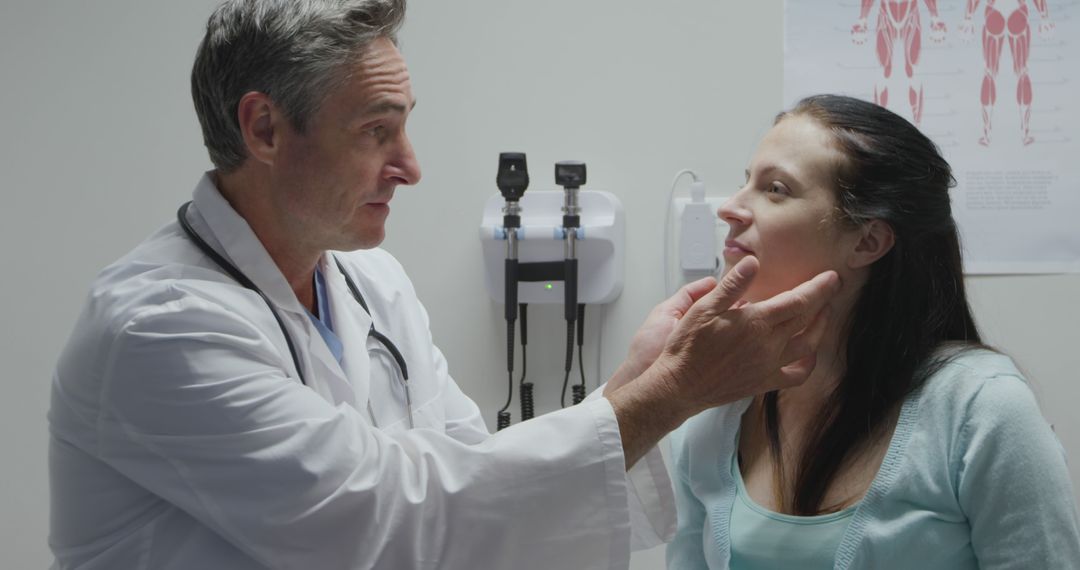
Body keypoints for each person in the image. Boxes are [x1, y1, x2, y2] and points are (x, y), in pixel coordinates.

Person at [47, 2, 841, 569]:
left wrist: (638, 382)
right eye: (376, 130)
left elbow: (476, 494)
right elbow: (384, 522)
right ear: (263, 129)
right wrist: (668, 395)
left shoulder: (369, 283)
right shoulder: (156, 327)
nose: (411, 166)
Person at [666, 94, 1080, 569]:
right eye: (745, 182)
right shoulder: (717, 403)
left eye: (775, 189)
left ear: (868, 241)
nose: (732, 208)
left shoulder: (982, 410)